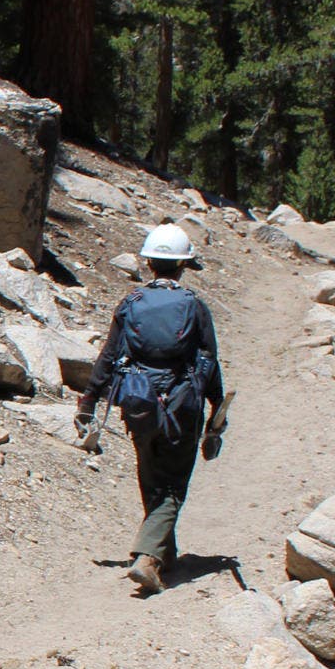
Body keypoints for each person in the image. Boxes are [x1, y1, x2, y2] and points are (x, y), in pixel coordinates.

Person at [76, 224, 227, 594]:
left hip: (138, 401)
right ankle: (146, 558)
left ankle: (163, 554)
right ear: (183, 265)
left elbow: (109, 356)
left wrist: (88, 401)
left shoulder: (131, 303)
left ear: (149, 262)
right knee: (173, 485)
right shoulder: (194, 306)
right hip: (182, 405)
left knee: (150, 473)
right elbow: (210, 360)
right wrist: (217, 410)